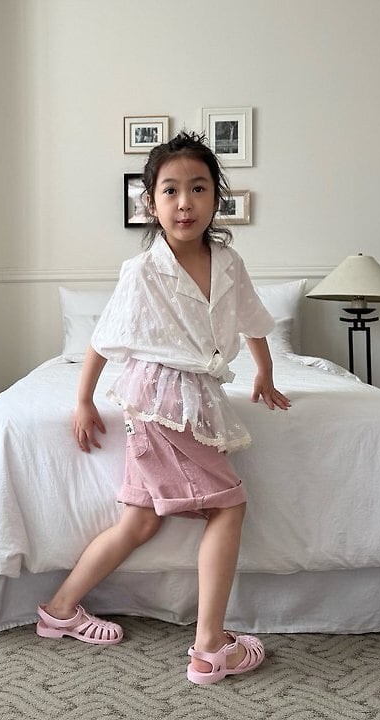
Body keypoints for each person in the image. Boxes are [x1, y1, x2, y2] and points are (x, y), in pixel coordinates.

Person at [35, 131, 291, 685]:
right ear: (151, 202)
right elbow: (104, 339)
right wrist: (83, 399)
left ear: (216, 198)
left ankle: (59, 610)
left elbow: (252, 320)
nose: (185, 202)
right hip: (161, 401)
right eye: (170, 190)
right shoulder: (143, 271)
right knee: (228, 507)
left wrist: (266, 372)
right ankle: (210, 647)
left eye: (198, 188)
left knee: (140, 521)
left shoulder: (228, 261)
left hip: (186, 399)